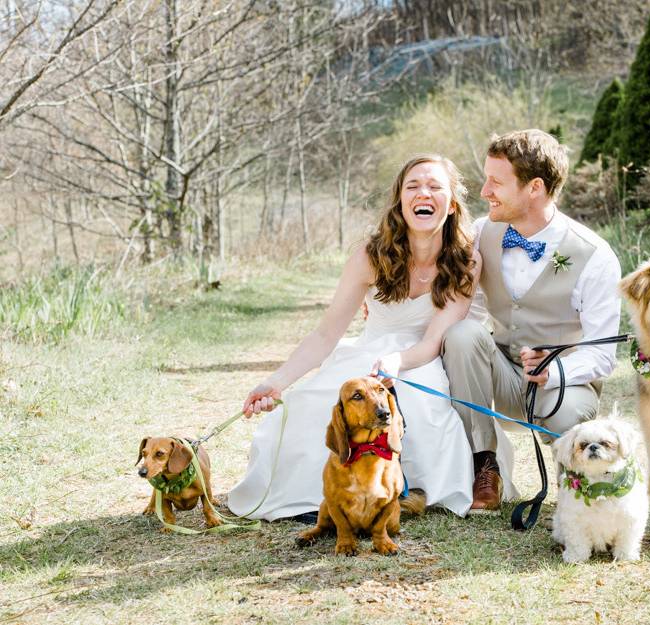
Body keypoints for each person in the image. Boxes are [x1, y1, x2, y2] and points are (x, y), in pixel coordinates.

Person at [227, 155, 516, 520]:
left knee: (424, 410)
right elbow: (326, 333)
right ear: (399, 200)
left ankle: (405, 492)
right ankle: (328, 496)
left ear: (452, 203)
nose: (422, 193)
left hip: (424, 357)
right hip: (369, 351)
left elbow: (432, 341)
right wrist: (276, 382)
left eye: (434, 187)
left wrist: (399, 362)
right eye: (412, 186)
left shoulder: (465, 261)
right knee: (317, 403)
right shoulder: (370, 255)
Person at [441, 129, 622, 513]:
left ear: (534, 187)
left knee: (568, 414)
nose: (485, 191)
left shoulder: (595, 255)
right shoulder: (480, 234)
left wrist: (553, 371)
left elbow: (604, 354)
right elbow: (460, 301)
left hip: (563, 386)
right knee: (462, 334)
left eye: (496, 182)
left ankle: (572, 488)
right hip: (502, 375)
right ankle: (482, 464)